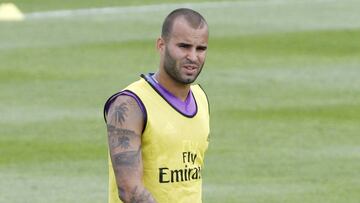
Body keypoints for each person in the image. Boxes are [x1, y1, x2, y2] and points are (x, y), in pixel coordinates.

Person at [103, 8, 210, 203]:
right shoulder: (129, 105)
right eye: (184, 46)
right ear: (161, 45)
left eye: (200, 48)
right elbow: (129, 190)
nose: (193, 57)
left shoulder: (200, 99)